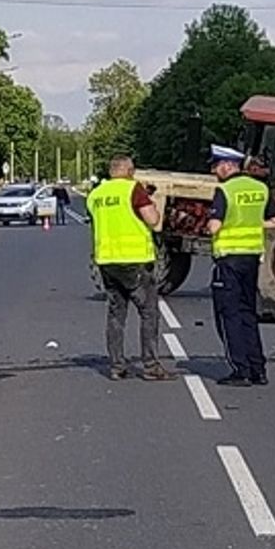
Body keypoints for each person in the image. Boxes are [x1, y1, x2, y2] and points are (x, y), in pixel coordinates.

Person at [87, 155, 174, 381]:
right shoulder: (133, 190)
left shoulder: (96, 194)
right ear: (129, 171)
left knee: (116, 314)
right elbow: (152, 220)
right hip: (134, 261)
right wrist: (153, 203)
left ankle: (117, 366)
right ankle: (151, 365)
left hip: (107, 262)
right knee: (149, 312)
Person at [206, 145, 275, 387]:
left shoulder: (225, 190)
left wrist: (210, 225)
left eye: (216, 166)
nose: (214, 171)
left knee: (228, 315)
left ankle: (240, 370)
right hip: (251, 259)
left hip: (228, 259)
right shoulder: (260, 188)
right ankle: (257, 369)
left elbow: (214, 227)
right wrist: (253, 224)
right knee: (248, 313)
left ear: (228, 165)